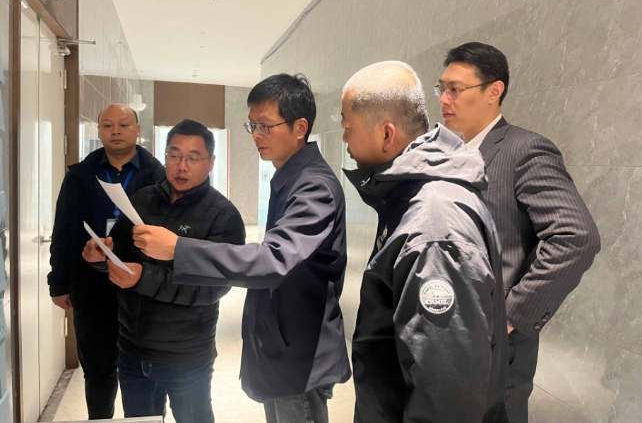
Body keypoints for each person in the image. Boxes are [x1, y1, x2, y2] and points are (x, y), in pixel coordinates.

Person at [129, 74, 351, 423]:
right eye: (252, 126)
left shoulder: (314, 186)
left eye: (265, 126)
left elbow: (274, 259)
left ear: (300, 127)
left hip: (300, 354)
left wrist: (179, 249)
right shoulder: (291, 178)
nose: (256, 136)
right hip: (283, 348)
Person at [437, 42, 601, 422]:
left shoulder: (524, 149)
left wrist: (510, 315)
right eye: (441, 88)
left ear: (494, 91)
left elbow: (576, 237)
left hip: (494, 345)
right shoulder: (450, 155)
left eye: (455, 89)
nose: (444, 99)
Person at [340, 61, 509, 423]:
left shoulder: (434, 228)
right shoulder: (413, 198)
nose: (344, 140)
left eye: (347, 127)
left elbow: (447, 397)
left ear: (387, 134)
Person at [82, 119, 245, 423]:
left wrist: (143, 278)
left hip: (186, 355)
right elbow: (119, 250)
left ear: (210, 162)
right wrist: (101, 256)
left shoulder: (223, 216)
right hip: (133, 349)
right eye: (174, 155)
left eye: (193, 157)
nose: (181, 166)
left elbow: (212, 287)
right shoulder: (142, 199)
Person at [48, 103, 164, 419]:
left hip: (143, 292)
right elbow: (63, 230)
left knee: (145, 374)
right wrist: (58, 282)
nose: (115, 131)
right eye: (107, 125)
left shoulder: (158, 176)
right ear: (98, 131)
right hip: (91, 288)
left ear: (137, 130)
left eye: (124, 125)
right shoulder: (80, 176)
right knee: (98, 371)